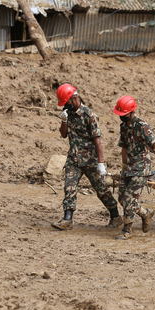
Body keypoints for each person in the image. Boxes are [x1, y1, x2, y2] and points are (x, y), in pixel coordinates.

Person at [51, 84, 122, 231]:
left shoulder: (90, 116)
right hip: (74, 159)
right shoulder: (68, 113)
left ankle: (115, 216)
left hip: (90, 160)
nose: (65, 106)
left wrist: (101, 163)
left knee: (101, 189)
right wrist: (63, 121)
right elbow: (64, 135)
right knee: (69, 187)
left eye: (67, 103)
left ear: (75, 98)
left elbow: (98, 141)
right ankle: (67, 219)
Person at [114, 95, 155, 240]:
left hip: (141, 168)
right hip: (128, 167)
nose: (122, 117)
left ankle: (127, 231)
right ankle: (145, 213)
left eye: (124, 114)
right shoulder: (123, 126)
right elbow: (124, 146)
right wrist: (123, 165)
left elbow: (154, 143)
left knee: (130, 200)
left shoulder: (142, 126)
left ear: (131, 112)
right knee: (122, 198)